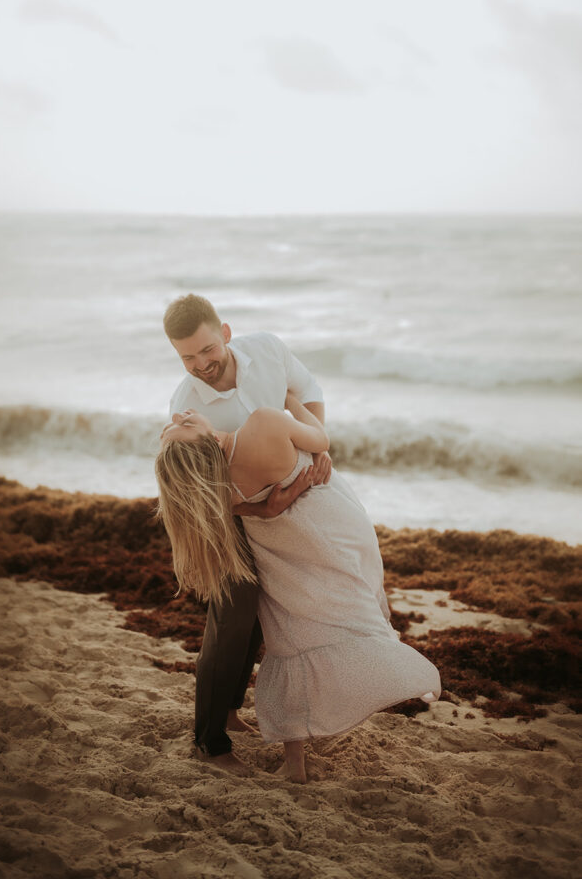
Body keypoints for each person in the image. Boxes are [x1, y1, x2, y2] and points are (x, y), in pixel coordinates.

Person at [155, 397, 442, 783]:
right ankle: (294, 749)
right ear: (202, 443)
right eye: (180, 427)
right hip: (328, 529)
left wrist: (272, 506)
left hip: (286, 548)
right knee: (316, 628)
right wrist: (295, 403)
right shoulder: (263, 424)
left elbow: (243, 507)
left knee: (292, 637)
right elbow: (320, 437)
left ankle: (294, 762)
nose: (178, 415)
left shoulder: (217, 483)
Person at [164, 294, 331, 773]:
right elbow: (192, 492)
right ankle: (209, 741)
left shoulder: (269, 351)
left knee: (263, 612)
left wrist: (317, 445)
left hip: (284, 511)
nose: (200, 364)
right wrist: (257, 505)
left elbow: (308, 387)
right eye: (187, 357)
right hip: (227, 517)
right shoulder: (186, 404)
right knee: (231, 619)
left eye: (206, 350)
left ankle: (232, 710)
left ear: (226, 333)